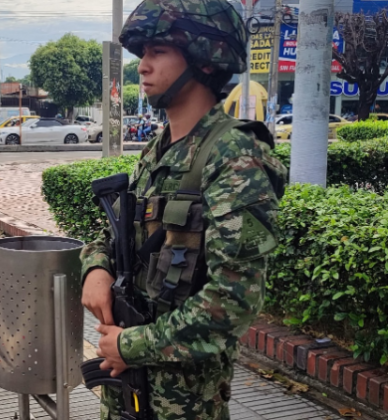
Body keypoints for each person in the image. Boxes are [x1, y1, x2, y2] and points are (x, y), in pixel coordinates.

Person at [80, 0, 288, 418]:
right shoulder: (160, 150)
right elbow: (120, 234)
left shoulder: (236, 153)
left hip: (185, 402)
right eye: (143, 54)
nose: (142, 66)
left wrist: (131, 345)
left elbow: (234, 300)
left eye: (158, 52)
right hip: (127, 390)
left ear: (204, 59)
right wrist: (96, 268)